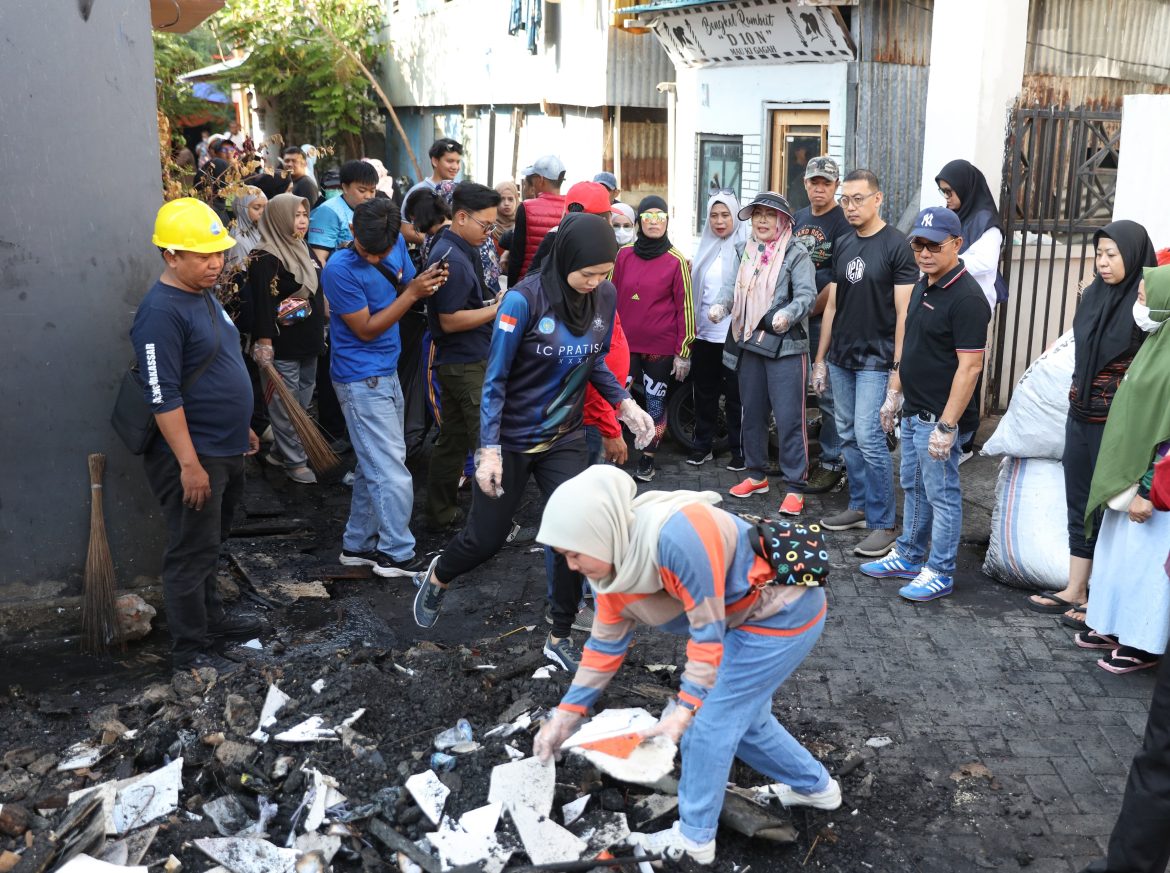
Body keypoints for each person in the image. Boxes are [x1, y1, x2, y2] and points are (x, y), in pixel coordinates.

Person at [532, 464, 839, 867]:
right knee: (743, 720)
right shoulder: (610, 566)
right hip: (739, 618)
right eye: (563, 555)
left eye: (574, 553)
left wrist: (684, 710)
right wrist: (565, 717)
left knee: (707, 724)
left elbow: (706, 634)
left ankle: (694, 840)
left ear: (597, 530)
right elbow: (604, 647)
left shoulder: (679, 535)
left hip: (783, 614)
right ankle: (816, 789)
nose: (571, 566)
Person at [411, 214, 656, 672]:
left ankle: (559, 632)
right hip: (510, 439)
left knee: (574, 532)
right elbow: (495, 380)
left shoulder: (604, 294)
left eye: (603, 274)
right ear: (566, 261)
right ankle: (439, 575)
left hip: (563, 436)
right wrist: (487, 449)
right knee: (484, 541)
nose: (595, 283)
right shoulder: (523, 302)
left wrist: (625, 404)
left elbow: (594, 359)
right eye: (588, 274)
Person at [131, 198, 260, 674]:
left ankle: (212, 620)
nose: (216, 263)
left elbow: (217, 362)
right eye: (203, 255)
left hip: (224, 445)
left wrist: (241, 422)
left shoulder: (202, 293)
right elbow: (162, 395)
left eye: (219, 253)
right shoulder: (159, 313)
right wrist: (189, 464)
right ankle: (191, 653)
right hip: (194, 454)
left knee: (212, 542)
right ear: (170, 255)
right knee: (190, 550)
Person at [1025, 221, 1157, 621]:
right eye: (1099, 253)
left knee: (1108, 507)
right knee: (1078, 501)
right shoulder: (1093, 296)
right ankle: (1074, 587)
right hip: (1079, 414)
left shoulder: (1145, 307)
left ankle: (1099, 596)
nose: (1102, 262)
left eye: (1111, 255)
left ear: (1132, 257)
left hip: (1117, 425)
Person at [859, 207, 991, 601]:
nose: (924, 252)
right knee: (913, 486)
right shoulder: (923, 285)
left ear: (956, 245)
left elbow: (970, 368)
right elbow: (911, 345)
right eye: (918, 244)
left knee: (942, 494)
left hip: (941, 418)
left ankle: (941, 570)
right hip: (915, 408)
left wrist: (948, 427)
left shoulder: (968, 298)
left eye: (934, 245)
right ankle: (910, 555)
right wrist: (894, 392)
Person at [323, 198, 447, 577]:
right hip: (359, 378)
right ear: (353, 233)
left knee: (373, 464)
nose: (374, 259)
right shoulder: (339, 269)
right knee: (391, 468)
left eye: (381, 252)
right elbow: (364, 328)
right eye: (366, 251)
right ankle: (396, 553)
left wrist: (423, 284)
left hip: (385, 370)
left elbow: (406, 282)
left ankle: (357, 545)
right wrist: (412, 294)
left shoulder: (392, 245)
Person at [812, 169, 918, 558]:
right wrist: (820, 359)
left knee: (871, 438)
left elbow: (905, 313)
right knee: (846, 434)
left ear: (878, 199)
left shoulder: (897, 246)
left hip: (877, 358)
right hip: (841, 356)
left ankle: (884, 523)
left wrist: (897, 372)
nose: (851, 206)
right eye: (846, 199)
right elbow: (834, 305)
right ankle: (859, 506)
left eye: (858, 198)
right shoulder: (842, 243)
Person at [1078, 264, 1170, 672]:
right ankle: (1112, 624)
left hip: (1152, 489)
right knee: (1118, 557)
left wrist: (1149, 489)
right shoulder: (1156, 341)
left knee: (1148, 570)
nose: (1139, 303)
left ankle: (1144, 643)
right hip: (1127, 479)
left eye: (1145, 297)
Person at [708, 192, 816, 516]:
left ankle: (796, 486)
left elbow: (808, 296)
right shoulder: (744, 250)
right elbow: (731, 287)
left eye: (770, 215)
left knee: (788, 419)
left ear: (784, 221)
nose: (763, 221)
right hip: (749, 341)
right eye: (757, 215)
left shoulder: (797, 253)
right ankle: (756, 475)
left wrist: (789, 314)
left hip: (785, 346)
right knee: (750, 412)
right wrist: (721, 304)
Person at [423, 182, 503, 529]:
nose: (489, 233)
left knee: (452, 442)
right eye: (486, 226)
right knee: (486, 446)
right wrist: (496, 310)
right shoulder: (451, 257)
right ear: (460, 217)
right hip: (465, 363)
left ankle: (442, 512)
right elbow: (449, 320)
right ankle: (490, 525)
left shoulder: (459, 246)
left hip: (460, 361)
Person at [612, 195, 695, 482]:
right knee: (614, 400)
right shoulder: (623, 255)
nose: (654, 223)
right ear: (639, 222)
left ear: (667, 222)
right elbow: (608, 295)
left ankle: (648, 458)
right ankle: (610, 450)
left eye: (660, 217)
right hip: (623, 346)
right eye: (648, 217)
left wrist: (683, 351)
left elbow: (685, 307)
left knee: (655, 404)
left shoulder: (676, 261)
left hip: (659, 349)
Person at [247, 193, 325, 485]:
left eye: (305, 214)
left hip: (310, 342)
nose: (303, 221)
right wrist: (264, 342)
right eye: (296, 215)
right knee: (284, 406)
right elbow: (262, 305)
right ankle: (296, 462)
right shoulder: (264, 256)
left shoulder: (303, 248)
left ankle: (280, 453)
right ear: (279, 217)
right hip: (282, 346)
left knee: (301, 404)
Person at [936, 158, 1008, 464]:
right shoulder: (956, 215)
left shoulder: (986, 222)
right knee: (949, 368)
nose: (948, 199)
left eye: (950, 192)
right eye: (943, 193)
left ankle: (965, 440)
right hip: (949, 302)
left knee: (965, 370)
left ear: (967, 188)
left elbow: (984, 263)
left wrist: (945, 260)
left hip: (973, 306)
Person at [792, 156, 850, 493]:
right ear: (805, 183)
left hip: (822, 321)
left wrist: (805, 309)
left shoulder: (842, 222)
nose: (819, 188)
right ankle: (797, 456)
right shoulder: (798, 219)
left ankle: (832, 463)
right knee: (793, 390)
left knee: (826, 393)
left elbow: (839, 283)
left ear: (836, 185)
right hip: (795, 319)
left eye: (826, 183)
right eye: (814, 182)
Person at [688, 191, 747, 470]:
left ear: (736, 216)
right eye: (713, 215)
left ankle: (739, 450)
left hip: (734, 335)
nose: (719, 221)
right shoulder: (703, 250)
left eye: (725, 215)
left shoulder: (747, 249)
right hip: (704, 335)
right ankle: (703, 446)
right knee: (704, 393)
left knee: (736, 395)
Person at [507, 154, 567, 286]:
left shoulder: (527, 207)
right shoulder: (571, 207)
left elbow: (517, 256)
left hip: (528, 285)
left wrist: (511, 288)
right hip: (560, 286)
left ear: (541, 179)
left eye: (533, 178)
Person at [528, 181, 614, 273]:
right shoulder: (609, 241)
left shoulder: (556, 236)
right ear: (606, 219)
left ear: (565, 213)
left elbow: (533, 275)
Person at [307, 159, 380, 265]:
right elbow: (319, 260)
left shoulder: (374, 209)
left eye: (372, 191)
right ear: (345, 187)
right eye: (362, 191)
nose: (368, 196)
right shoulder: (329, 212)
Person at [402, 138, 463, 245]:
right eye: (450, 161)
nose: (455, 167)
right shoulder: (418, 192)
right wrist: (439, 241)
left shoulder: (461, 190)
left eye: (458, 162)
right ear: (435, 161)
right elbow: (406, 231)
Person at [226, 186, 266, 273]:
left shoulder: (259, 231)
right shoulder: (239, 241)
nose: (262, 212)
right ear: (242, 209)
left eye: (265, 207)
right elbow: (239, 279)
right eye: (256, 208)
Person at [493, 180, 519, 257]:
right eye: (502, 199)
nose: (506, 203)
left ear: (516, 200)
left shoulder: (521, 223)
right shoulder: (489, 225)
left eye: (510, 199)